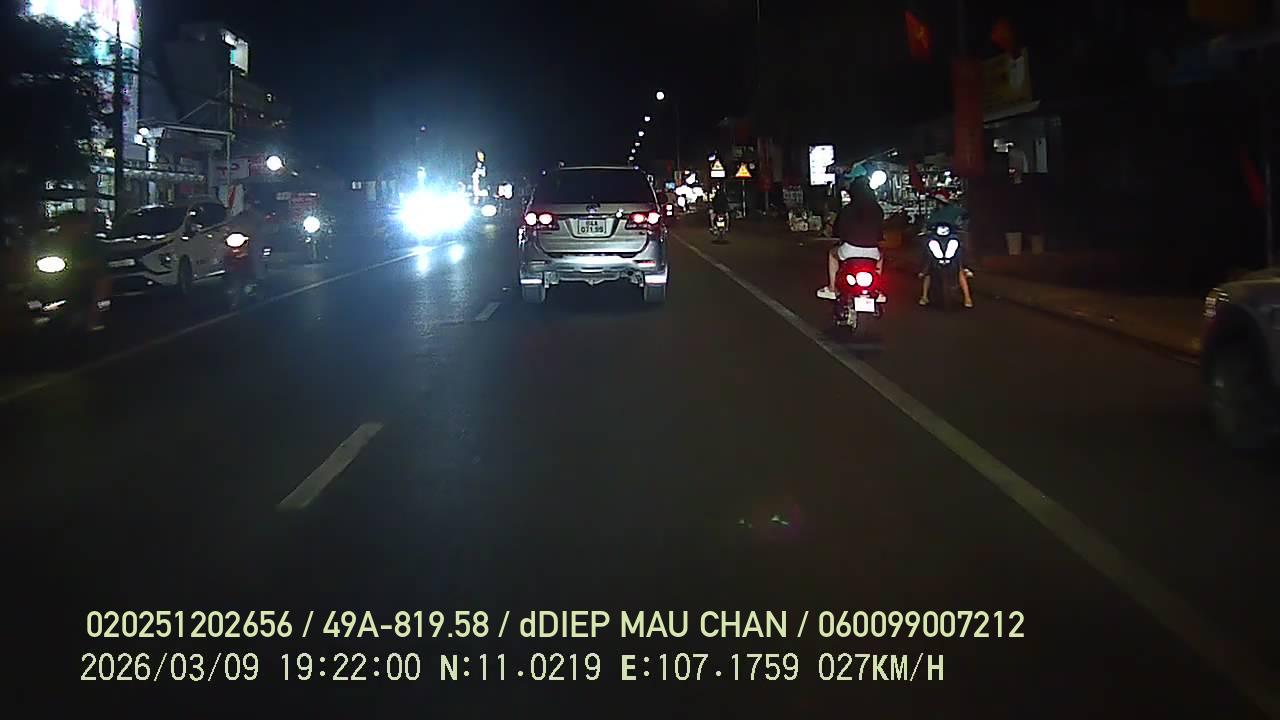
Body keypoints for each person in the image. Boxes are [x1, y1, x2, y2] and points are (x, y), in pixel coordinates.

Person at [817, 176, 883, 300]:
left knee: (832, 254)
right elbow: (880, 233)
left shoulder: (848, 209)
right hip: (872, 252)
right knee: (881, 257)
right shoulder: (877, 210)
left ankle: (832, 288)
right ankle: (877, 289)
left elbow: (838, 230)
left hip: (849, 250)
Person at [918, 194, 974, 307]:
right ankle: (924, 295)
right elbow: (927, 224)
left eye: (940, 201)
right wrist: (925, 229)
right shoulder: (934, 213)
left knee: (960, 260)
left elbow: (966, 215)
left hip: (951, 237)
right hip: (936, 238)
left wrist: (962, 225)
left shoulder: (955, 209)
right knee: (927, 256)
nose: (938, 203)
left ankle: (967, 297)